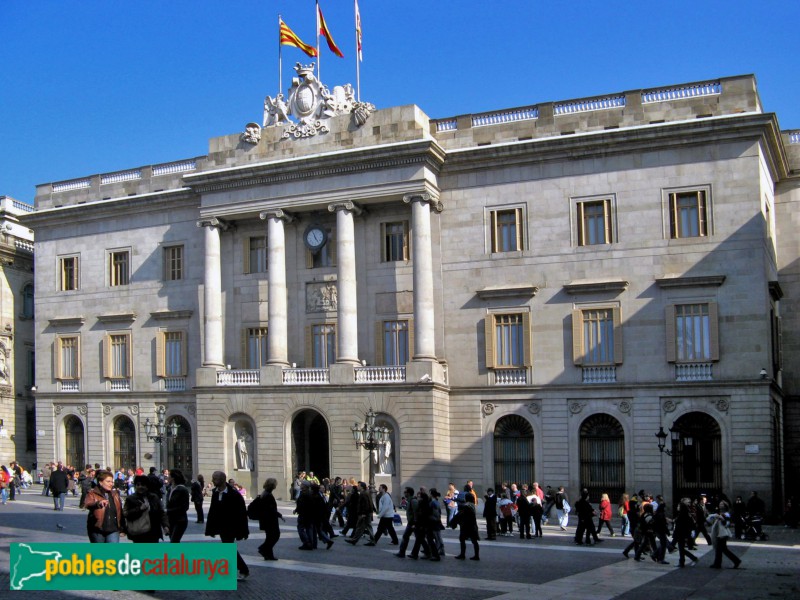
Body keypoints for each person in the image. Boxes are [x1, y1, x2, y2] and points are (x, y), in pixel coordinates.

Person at [205, 470, 250, 580]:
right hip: (221, 527)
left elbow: (242, 513)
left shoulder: (234, 494)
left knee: (228, 547)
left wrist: (243, 530)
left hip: (231, 527)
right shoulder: (215, 493)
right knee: (228, 547)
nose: (212, 480)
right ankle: (237, 569)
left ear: (222, 480)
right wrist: (211, 529)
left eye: (214, 478)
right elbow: (212, 511)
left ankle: (243, 570)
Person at [123, 475, 168, 543]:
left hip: (153, 531)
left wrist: (165, 525)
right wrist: (139, 509)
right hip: (138, 532)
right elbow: (126, 513)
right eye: (138, 485)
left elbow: (161, 512)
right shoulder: (131, 499)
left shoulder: (154, 497)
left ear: (147, 486)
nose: (140, 487)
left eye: (143, 485)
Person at [84, 470, 125, 543]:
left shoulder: (115, 494)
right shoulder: (92, 493)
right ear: (100, 482)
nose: (111, 484)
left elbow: (120, 511)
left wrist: (123, 527)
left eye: (112, 482)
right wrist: (98, 503)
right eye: (108, 481)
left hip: (113, 529)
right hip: (97, 529)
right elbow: (88, 504)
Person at [708, 500, 741, 569]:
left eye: (722, 504)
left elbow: (727, 523)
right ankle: (717, 563)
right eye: (720, 504)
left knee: (722, 549)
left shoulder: (726, 514)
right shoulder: (719, 513)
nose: (721, 506)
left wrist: (721, 518)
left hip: (723, 534)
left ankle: (736, 561)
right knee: (719, 549)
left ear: (725, 506)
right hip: (718, 533)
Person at [256, 478, 283, 560]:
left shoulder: (265, 493)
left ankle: (268, 554)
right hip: (270, 520)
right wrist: (278, 514)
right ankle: (263, 548)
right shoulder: (268, 495)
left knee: (270, 537)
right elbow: (270, 509)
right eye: (275, 484)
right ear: (272, 485)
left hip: (267, 519)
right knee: (275, 535)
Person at [346, 481, 376, 546]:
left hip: (364, 513)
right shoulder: (366, 492)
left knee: (360, 527)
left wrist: (363, 513)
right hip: (367, 513)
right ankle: (371, 540)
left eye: (359, 486)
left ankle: (355, 540)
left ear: (362, 487)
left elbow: (365, 504)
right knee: (365, 526)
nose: (357, 487)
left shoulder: (363, 494)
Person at [451, 493, 480, 560]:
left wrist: (454, 522)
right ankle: (476, 555)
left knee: (462, 539)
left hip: (466, 525)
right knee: (474, 541)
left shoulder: (466, 506)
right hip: (473, 525)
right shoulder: (472, 505)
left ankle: (462, 554)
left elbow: (460, 515)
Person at [166, 469, 190, 543]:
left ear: (173, 477)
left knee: (174, 540)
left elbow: (185, 507)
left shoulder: (182, 489)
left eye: (169, 475)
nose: (167, 477)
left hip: (180, 520)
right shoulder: (170, 489)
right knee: (173, 540)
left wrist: (168, 511)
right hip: (170, 520)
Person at [673, 498, 699, 567]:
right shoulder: (683, 514)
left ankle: (687, 560)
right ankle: (684, 561)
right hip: (680, 533)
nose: (677, 507)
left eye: (678, 506)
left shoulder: (683, 515)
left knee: (680, 548)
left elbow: (685, 526)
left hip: (680, 534)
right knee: (681, 548)